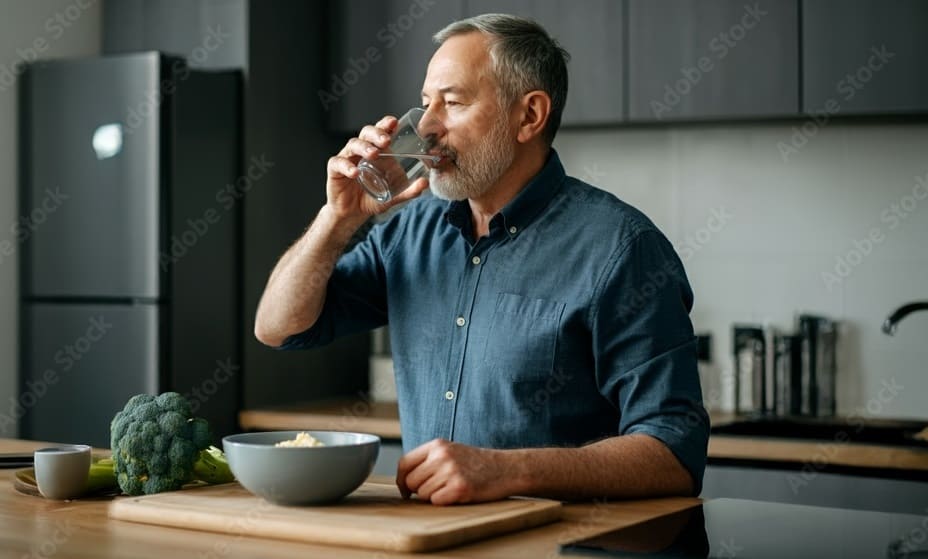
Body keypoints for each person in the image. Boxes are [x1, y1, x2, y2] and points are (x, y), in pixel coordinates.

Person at [254, 13, 709, 505]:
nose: (425, 127)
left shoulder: (622, 247)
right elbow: (281, 327)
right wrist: (338, 218)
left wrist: (509, 470)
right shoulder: (410, 231)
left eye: (452, 103)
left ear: (529, 116)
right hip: (433, 540)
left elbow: (674, 452)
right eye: (426, 103)